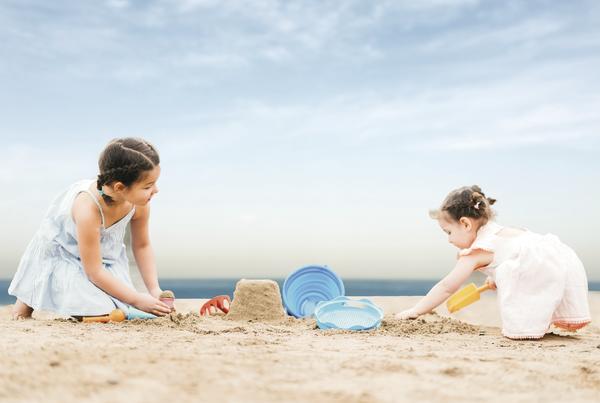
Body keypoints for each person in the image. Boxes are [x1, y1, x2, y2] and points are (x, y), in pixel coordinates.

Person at [396, 185, 591, 339]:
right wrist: (500, 277)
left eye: (448, 232)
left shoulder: (477, 251)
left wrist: (416, 310)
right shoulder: (499, 232)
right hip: (556, 258)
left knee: (522, 305)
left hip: (536, 264)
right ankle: (542, 322)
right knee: (535, 286)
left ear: (465, 224)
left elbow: (447, 286)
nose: (449, 239)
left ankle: (526, 329)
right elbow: (514, 259)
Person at [9, 137, 172, 319]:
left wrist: (154, 289)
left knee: (116, 307)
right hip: (65, 254)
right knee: (99, 310)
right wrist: (136, 299)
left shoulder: (140, 203)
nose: (156, 190)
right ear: (120, 187)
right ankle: (29, 296)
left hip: (102, 259)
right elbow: (94, 271)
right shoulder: (87, 209)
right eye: (148, 186)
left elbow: (142, 245)